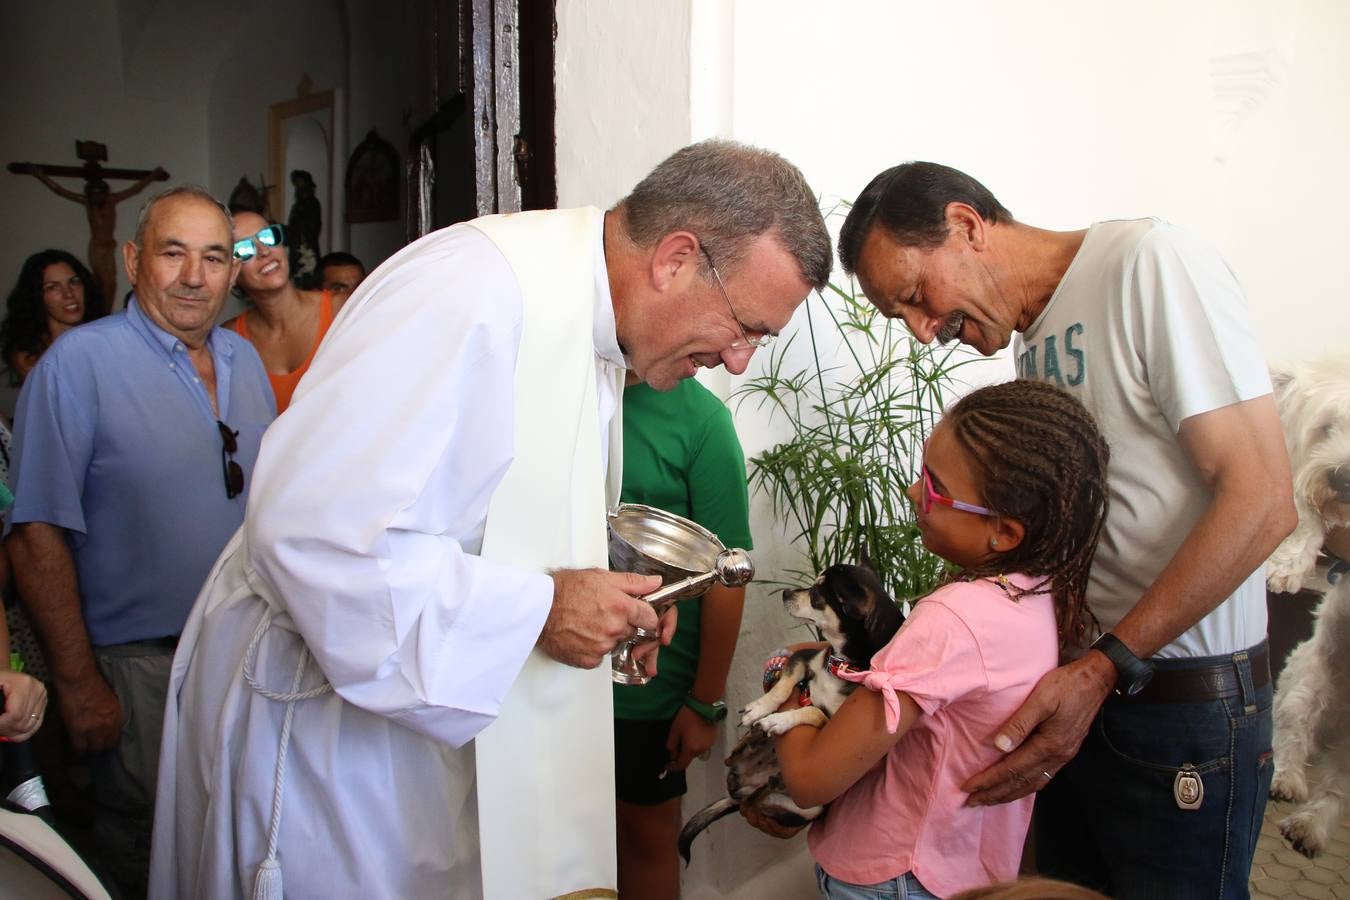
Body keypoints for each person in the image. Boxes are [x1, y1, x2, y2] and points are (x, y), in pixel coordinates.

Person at [150, 139, 832, 900]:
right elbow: (315, 535)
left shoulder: (589, 322)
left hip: (420, 731)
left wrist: (604, 582)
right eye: (746, 327)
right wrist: (541, 607)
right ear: (675, 259)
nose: (739, 360)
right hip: (326, 742)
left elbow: (482, 497)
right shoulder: (469, 293)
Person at [836, 162, 1296, 898]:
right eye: (904, 319)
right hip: (1085, 693)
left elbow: (1265, 499)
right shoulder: (1035, 339)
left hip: (1180, 707)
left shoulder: (1150, 264)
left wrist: (1104, 664)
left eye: (919, 296)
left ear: (967, 225)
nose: (925, 334)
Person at [4, 185, 275, 898]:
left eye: (214, 257)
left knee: (240, 839)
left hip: (244, 656)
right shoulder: (77, 365)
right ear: (132, 260)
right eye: (173, 253)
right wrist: (77, 682)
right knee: (146, 851)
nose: (194, 276)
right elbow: (35, 535)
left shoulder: (243, 360)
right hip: (137, 667)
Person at [768, 380, 1109, 899]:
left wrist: (786, 677)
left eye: (931, 486)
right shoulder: (1041, 595)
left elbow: (812, 778)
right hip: (960, 867)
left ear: (1005, 532)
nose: (911, 493)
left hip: (892, 871)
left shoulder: (952, 618)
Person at [613, 371, 752, 900]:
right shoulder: (556, 391)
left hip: (649, 687)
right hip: (546, 665)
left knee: (644, 837)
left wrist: (703, 703)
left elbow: (728, 576)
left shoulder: (703, 421)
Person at [223, 212, 346, 413]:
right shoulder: (228, 341)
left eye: (268, 237)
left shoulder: (340, 309)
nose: (264, 251)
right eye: (244, 249)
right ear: (230, 271)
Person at [1, 249, 107, 386]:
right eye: (53, 287)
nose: (68, 294)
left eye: (73, 282)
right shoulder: (30, 358)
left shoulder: (105, 340)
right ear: (37, 296)